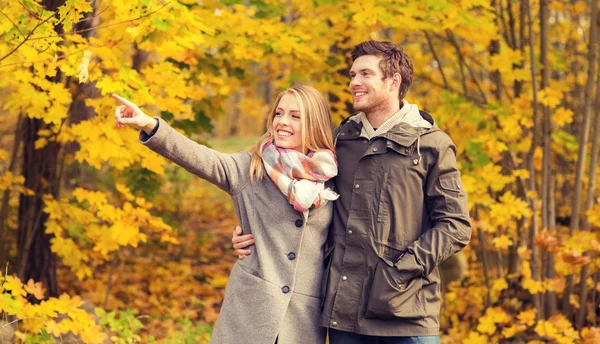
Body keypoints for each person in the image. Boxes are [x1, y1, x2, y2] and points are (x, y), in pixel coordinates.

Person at [233, 40, 472, 343]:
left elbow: (455, 226)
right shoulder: (338, 143)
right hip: (345, 316)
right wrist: (248, 230)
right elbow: (297, 196)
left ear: (393, 81)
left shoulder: (430, 144)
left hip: (407, 315)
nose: (354, 83)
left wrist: (399, 271)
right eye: (352, 75)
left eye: (365, 74)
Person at [112, 84, 339, 344]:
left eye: (295, 116)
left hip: (302, 320)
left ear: (314, 123)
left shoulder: (330, 176)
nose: (282, 122)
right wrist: (149, 125)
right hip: (250, 312)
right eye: (279, 113)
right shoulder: (249, 168)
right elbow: (199, 157)